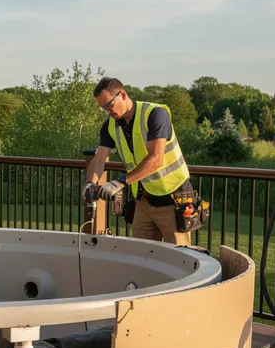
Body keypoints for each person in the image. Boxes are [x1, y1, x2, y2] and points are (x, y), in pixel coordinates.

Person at [83, 77, 193, 246]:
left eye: (109, 105)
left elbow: (156, 159)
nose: (107, 112)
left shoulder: (155, 114)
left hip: (174, 199)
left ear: (123, 95)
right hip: (144, 201)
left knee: (179, 260)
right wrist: (91, 184)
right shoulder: (110, 126)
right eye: (103, 108)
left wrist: (119, 182)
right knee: (139, 256)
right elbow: (99, 159)